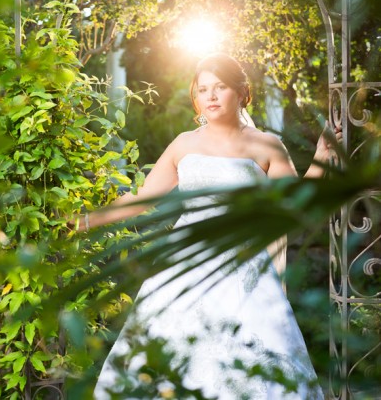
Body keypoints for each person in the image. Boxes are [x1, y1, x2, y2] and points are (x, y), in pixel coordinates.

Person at [76, 53, 342, 399]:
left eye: (220, 87)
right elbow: (142, 199)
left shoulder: (265, 144)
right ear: (196, 97)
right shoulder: (184, 144)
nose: (211, 96)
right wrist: (84, 220)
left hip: (244, 267)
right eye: (203, 89)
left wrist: (323, 156)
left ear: (242, 93)